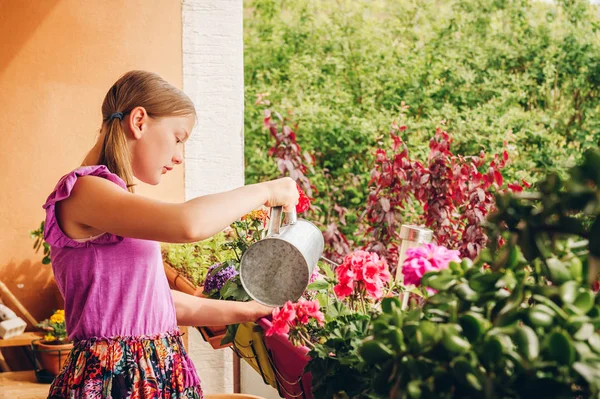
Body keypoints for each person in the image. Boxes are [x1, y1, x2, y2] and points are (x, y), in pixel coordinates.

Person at [42, 70, 299, 398]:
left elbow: (155, 301)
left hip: (158, 375)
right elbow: (187, 224)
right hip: (114, 384)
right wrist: (268, 190)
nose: (179, 155)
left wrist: (250, 310)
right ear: (139, 121)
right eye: (178, 137)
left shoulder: (115, 202)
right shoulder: (84, 191)